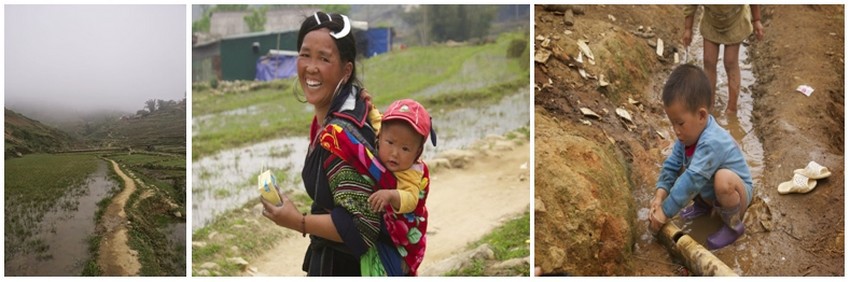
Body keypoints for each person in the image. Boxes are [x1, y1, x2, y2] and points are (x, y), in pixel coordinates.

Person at [260, 11, 405, 276]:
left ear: (346, 69)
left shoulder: (340, 136)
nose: (311, 67)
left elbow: (362, 227)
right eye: (305, 55)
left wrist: (298, 221)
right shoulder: (342, 111)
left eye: (324, 58)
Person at [648, 64, 753, 250]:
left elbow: (691, 180)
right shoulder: (688, 136)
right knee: (685, 165)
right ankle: (704, 206)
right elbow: (672, 166)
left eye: (680, 123)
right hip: (711, 192)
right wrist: (660, 195)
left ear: (702, 115)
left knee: (719, 179)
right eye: (673, 124)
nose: (676, 131)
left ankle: (733, 226)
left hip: (738, 193)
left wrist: (665, 212)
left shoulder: (712, 141)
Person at [366, 99, 435, 275]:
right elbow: (376, 119)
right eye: (390, 143)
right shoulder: (380, 131)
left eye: (405, 149)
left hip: (402, 246)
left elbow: (411, 199)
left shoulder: (412, 172)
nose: (395, 153)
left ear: (417, 153)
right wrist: (367, 103)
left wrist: (391, 195)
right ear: (380, 136)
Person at [683, 5, 764, 114]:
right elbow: (691, 5)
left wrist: (756, 20)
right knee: (708, 61)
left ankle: (732, 107)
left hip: (736, 22)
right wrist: (688, 29)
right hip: (711, 23)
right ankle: (709, 104)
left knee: (730, 62)